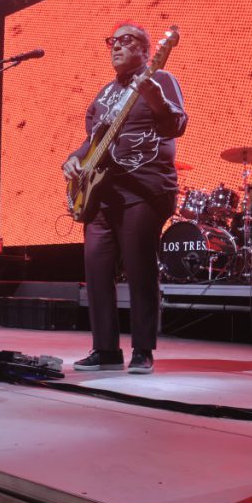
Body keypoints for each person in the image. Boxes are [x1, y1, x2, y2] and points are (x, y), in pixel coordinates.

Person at [62, 23, 188, 374]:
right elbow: (92, 141)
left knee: (139, 269)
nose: (116, 46)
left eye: (125, 40)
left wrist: (154, 97)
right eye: (112, 41)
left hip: (145, 189)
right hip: (101, 192)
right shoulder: (103, 94)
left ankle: (143, 350)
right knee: (97, 270)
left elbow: (176, 124)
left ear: (148, 50)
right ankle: (105, 350)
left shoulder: (161, 79)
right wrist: (74, 158)